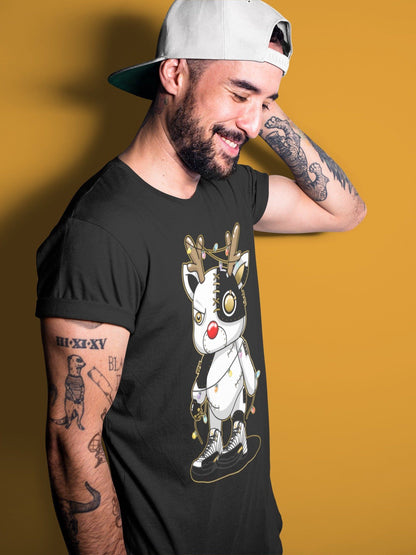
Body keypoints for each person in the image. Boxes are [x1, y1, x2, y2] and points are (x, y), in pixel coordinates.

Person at [36, 0, 366, 553]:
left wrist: (258, 104)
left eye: (267, 102)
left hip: (255, 537)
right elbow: (74, 444)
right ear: (174, 74)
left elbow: (346, 211)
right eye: (238, 94)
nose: (253, 124)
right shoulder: (100, 232)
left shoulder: (229, 188)